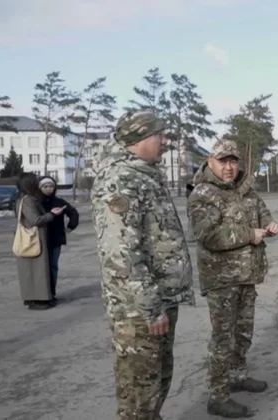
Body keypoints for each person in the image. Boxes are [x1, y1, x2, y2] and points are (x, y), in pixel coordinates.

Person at [91, 110, 195, 420]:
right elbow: (120, 252)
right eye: (158, 135)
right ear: (138, 139)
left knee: (156, 382)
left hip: (158, 300)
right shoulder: (120, 180)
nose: (164, 142)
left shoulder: (144, 174)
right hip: (138, 310)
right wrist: (150, 307)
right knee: (139, 393)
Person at [188, 140, 278, 418]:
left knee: (242, 332)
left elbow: (260, 210)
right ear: (211, 163)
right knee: (223, 339)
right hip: (222, 279)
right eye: (223, 161)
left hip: (246, 274)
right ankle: (217, 396)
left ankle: (237, 375)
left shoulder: (245, 189)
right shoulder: (203, 194)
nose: (229, 167)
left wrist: (268, 223)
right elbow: (207, 235)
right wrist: (250, 235)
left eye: (233, 161)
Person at [14, 172, 63, 310]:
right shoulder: (28, 200)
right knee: (37, 271)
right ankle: (39, 300)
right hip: (33, 239)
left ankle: (38, 298)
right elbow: (35, 220)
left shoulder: (25, 198)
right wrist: (52, 214)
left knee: (33, 271)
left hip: (31, 239)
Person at [39, 176, 79, 304]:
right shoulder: (36, 202)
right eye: (45, 187)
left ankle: (51, 293)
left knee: (53, 266)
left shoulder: (59, 201)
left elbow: (73, 212)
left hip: (55, 239)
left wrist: (71, 226)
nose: (48, 189)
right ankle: (41, 294)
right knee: (41, 268)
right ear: (39, 188)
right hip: (39, 240)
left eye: (51, 186)